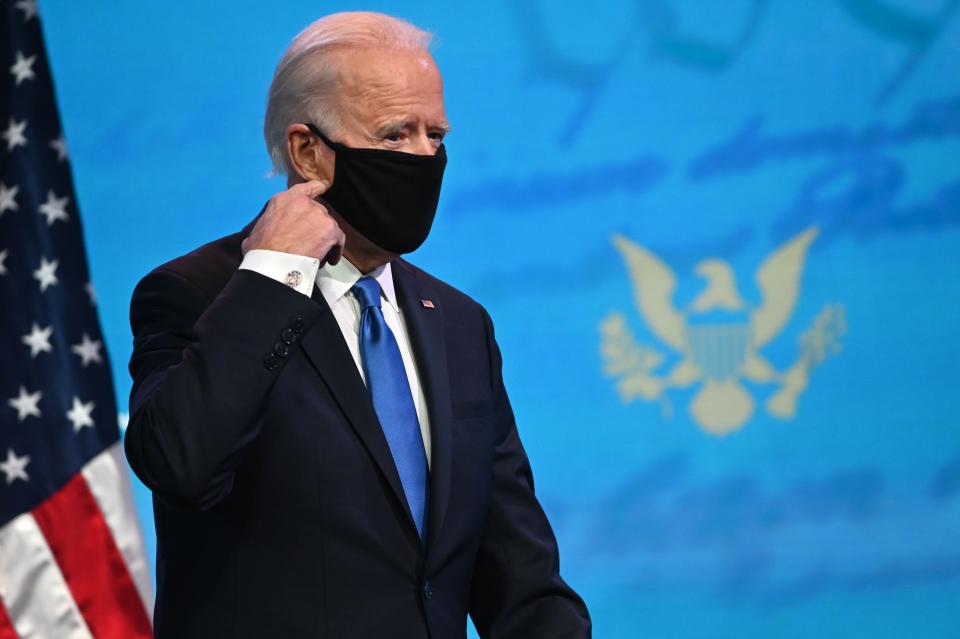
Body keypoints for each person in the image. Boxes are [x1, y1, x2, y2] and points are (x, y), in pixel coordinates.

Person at [124, 11, 591, 639]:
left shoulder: (458, 323)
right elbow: (181, 463)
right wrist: (271, 276)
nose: (426, 156)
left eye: (436, 134)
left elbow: (517, 571)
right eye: (396, 134)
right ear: (308, 151)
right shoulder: (198, 294)